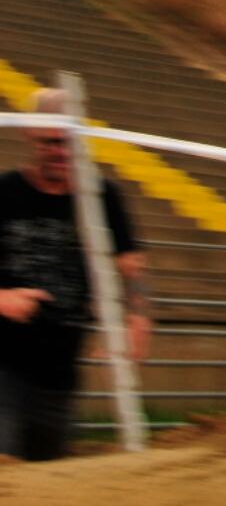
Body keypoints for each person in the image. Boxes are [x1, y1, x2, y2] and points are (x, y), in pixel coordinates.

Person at [0, 88, 148, 461]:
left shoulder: (103, 198)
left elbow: (131, 267)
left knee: (49, 471)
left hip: (60, 368)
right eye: (50, 142)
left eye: (69, 142)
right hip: (3, 362)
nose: (61, 152)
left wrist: (137, 316)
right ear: (29, 135)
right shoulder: (4, 192)